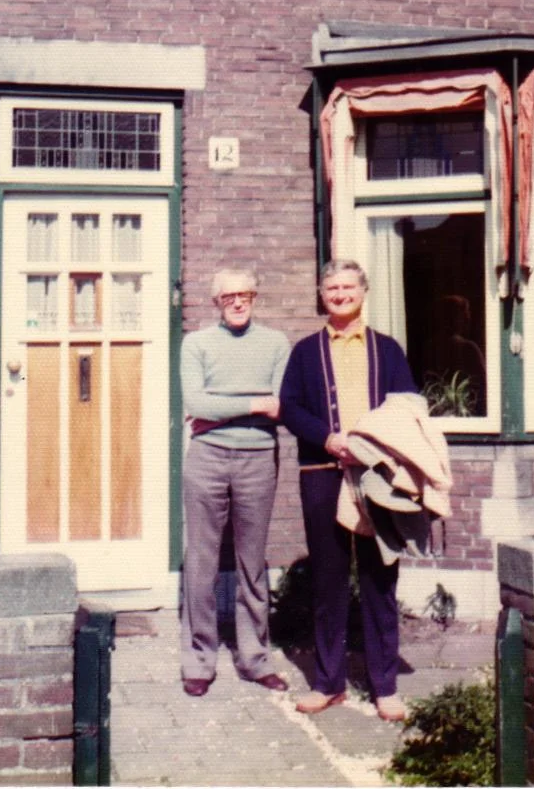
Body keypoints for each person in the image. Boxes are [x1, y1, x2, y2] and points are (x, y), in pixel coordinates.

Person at [279, 259, 417, 722]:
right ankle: (328, 683)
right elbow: (290, 408)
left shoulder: (387, 349)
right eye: (332, 288)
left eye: (348, 287)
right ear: (322, 296)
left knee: (380, 577)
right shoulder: (305, 352)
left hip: (378, 475)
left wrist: (374, 445)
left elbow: (407, 405)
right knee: (328, 580)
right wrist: (328, 438)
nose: (340, 295)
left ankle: (385, 688)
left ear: (364, 291)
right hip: (323, 470)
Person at [179, 267, 292, 697]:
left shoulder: (276, 343)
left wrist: (220, 409)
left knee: (251, 562)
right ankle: (199, 660)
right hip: (207, 457)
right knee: (201, 561)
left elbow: (280, 406)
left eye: (245, 295)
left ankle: (254, 658)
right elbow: (195, 402)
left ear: (255, 298)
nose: (238, 302)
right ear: (216, 303)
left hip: (258, 458)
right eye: (229, 297)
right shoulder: (197, 344)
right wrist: (254, 403)